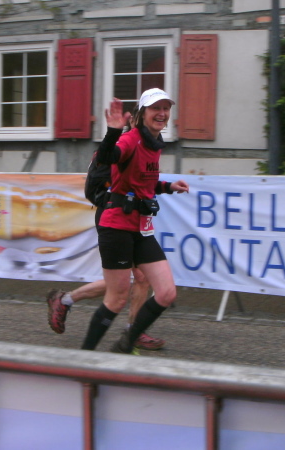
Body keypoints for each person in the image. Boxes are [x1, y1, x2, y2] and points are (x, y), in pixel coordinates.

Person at [46, 104, 169, 351]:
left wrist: (165, 187)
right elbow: (104, 172)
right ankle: (69, 302)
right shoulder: (125, 144)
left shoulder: (144, 145)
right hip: (113, 214)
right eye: (138, 120)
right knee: (123, 284)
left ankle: (131, 330)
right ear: (135, 120)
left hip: (129, 216)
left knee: (138, 278)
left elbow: (144, 182)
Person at [80, 88, 189, 353]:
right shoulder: (131, 139)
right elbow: (109, 157)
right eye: (155, 108)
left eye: (166, 108)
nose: (162, 114)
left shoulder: (154, 142)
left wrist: (168, 186)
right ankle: (83, 358)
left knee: (166, 293)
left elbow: (143, 183)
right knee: (116, 299)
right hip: (116, 226)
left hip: (141, 228)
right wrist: (113, 131)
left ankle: (125, 345)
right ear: (142, 113)